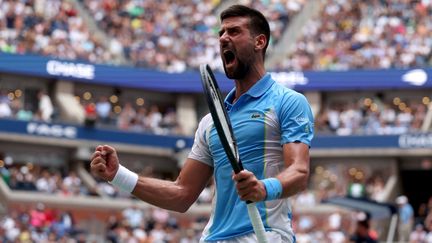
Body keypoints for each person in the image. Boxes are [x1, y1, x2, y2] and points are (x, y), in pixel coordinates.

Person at [90, 4, 314, 243]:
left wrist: (263, 188)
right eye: (221, 33)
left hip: (264, 236)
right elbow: (182, 194)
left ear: (260, 42)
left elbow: (299, 172)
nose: (224, 38)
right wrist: (117, 175)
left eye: (234, 31)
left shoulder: (288, 102)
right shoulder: (210, 122)